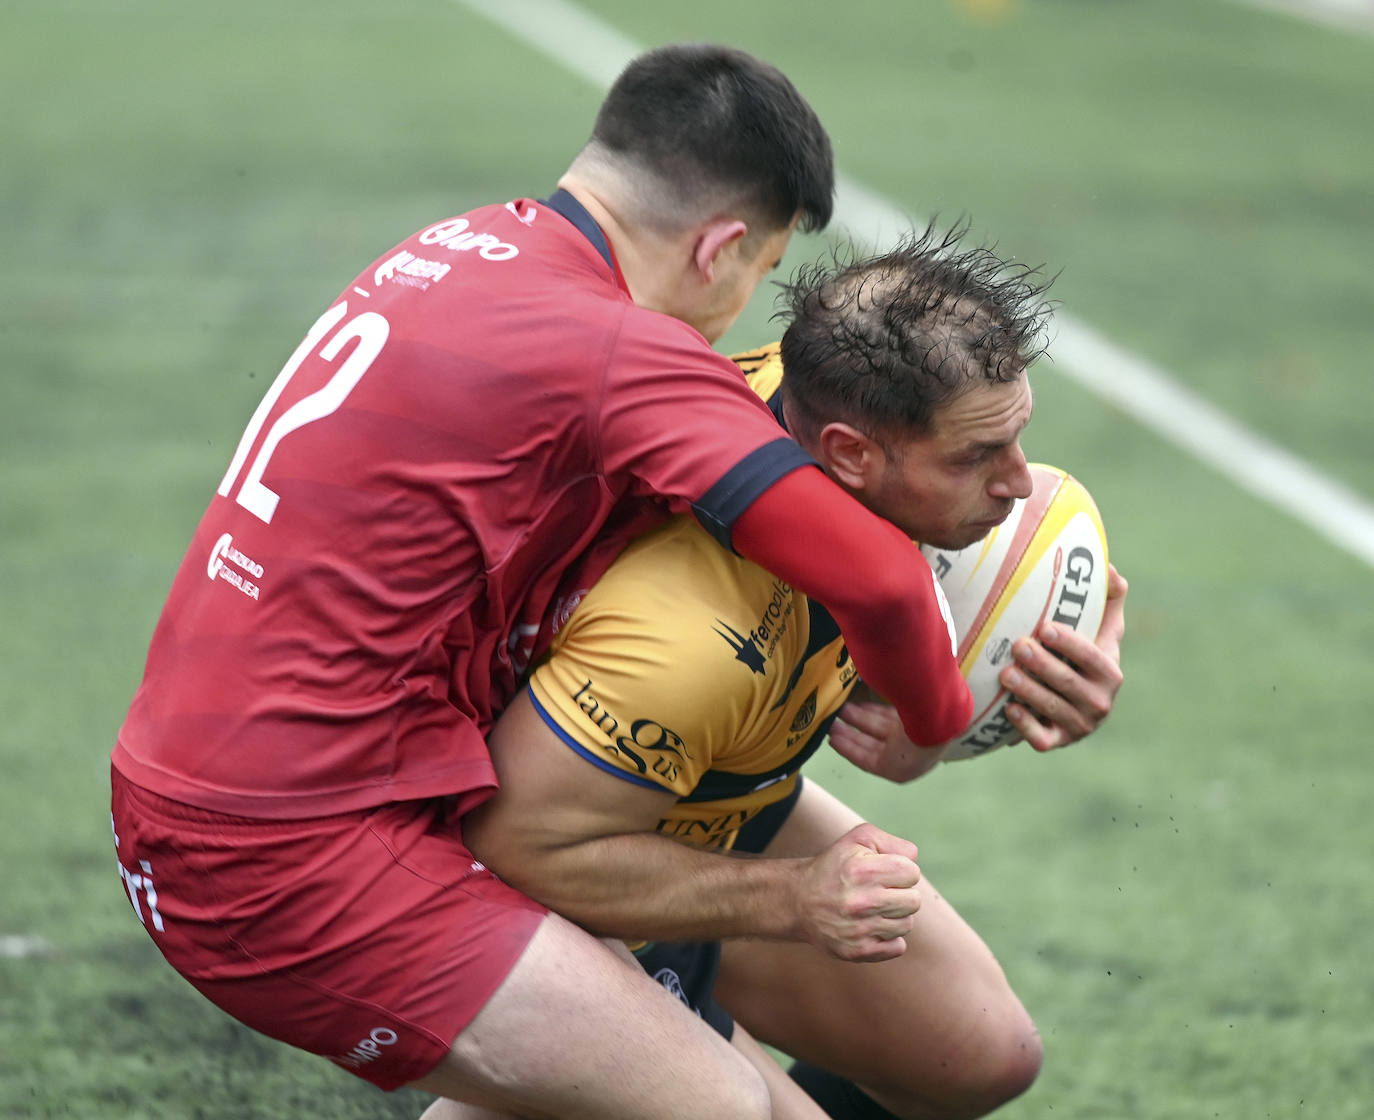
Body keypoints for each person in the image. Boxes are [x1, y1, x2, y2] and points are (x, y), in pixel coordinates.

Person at [108, 45, 981, 1119]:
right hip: (293, 855)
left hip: (209, 783)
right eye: (757, 275)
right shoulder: (613, 347)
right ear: (720, 247)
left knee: (924, 1059)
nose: (737, 314)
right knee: (726, 1108)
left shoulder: (459, 247)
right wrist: (932, 722)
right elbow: (886, 583)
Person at [456, 225, 1129, 1120]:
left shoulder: (818, 394)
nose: (1018, 486)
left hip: (713, 794)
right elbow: (517, 847)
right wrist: (795, 899)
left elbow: (968, 573)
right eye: (976, 459)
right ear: (848, 454)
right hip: (582, 860)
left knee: (982, 1054)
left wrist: (1031, 659)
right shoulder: (691, 635)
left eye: (1016, 441)